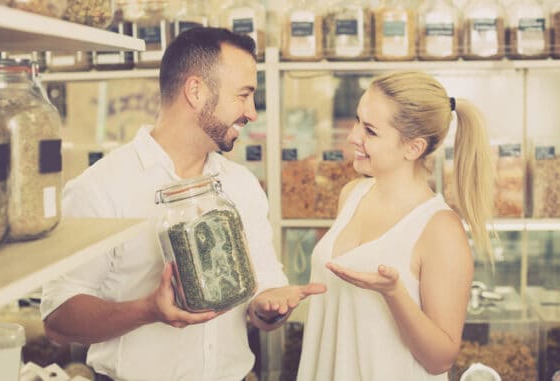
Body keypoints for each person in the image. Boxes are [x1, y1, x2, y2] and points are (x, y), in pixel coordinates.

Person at [41, 27, 326, 381]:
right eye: (244, 95)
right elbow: (58, 319)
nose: (252, 112)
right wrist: (148, 310)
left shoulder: (242, 186)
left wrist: (269, 307)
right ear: (195, 91)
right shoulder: (101, 188)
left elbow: (263, 288)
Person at [297, 71, 495, 380]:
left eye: (371, 131)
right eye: (357, 120)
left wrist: (393, 293)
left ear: (413, 148)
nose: (353, 136)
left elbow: (439, 359)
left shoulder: (440, 229)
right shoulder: (352, 195)